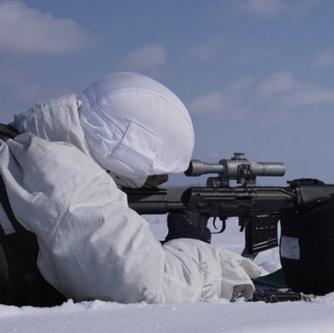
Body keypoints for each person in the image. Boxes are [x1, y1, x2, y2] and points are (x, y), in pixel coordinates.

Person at [0, 72, 261, 306]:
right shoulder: (73, 182)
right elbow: (150, 286)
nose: (160, 183)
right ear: (125, 160)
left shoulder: (25, 147)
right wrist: (194, 246)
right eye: (154, 177)